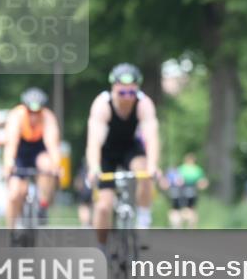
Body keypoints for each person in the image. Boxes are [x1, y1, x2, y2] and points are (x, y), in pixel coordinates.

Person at [85, 63, 161, 249]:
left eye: (131, 92)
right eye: (122, 92)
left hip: (130, 149)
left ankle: (143, 222)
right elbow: (94, 142)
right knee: (104, 207)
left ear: (137, 89)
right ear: (113, 87)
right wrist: (94, 168)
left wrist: (153, 165)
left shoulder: (144, 104)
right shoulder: (102, 105)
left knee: (144, 171)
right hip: (106, 153)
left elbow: (152, 137)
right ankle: (101, 247)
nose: (127, 97)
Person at [2, 87, 62, 228]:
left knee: (47, 165)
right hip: (20, 154)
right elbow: (11, 144)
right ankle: (10, 231)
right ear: (25, 108)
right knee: (15, 193)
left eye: (37, 112)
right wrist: (8, 164)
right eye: (30, 112)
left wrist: (56, 165)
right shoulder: (16, 116)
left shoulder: (48, 117)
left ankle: (42, 204)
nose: (34, 116)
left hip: (38, 153)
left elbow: (52, 145)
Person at [174, 153, 208, 228]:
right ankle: (186, 226)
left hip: (189, 189)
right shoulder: (185, 168)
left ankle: (188, 227)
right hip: (184, 190)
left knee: (189, 210)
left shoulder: (196, 169)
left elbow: (202, 182)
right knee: (186, 210)